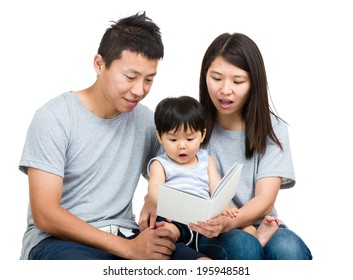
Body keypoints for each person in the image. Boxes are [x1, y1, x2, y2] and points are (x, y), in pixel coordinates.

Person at [18, 12, 184, 260]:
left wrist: (154, 194)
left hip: (124, 232)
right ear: (99, 64)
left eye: (149, 80)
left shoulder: (148, 122)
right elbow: (45, 214)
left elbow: (182, 173)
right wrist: (129, 249)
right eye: (130, 77)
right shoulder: (54, 117)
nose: (139, 90)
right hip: (57, 242)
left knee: (204, 263)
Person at [140, 33, 313, 260]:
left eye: (238, 81)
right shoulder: (189, 126)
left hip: (259, 223)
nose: (225, 89)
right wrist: (151, 200)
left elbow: (265, 199)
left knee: (289, 248)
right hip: (206, 229)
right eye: (216, 78)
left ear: (254, 82)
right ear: (205, 76)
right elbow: (167, 176)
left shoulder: (273, 129)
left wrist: (231, 221)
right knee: (243, 246)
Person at [147, 96, 280, 257]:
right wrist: (175, 204)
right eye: (173, 139)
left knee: (236, 221)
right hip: (174, 215)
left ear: (202, 135)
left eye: (190, 139)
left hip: (205, 217)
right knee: (165, 233)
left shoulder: (206, 160)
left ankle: (257, 236)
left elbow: (217, 189)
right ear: (160, 136)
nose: (182, 145)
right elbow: (154, 191)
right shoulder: (160, 164)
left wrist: (226, 208)